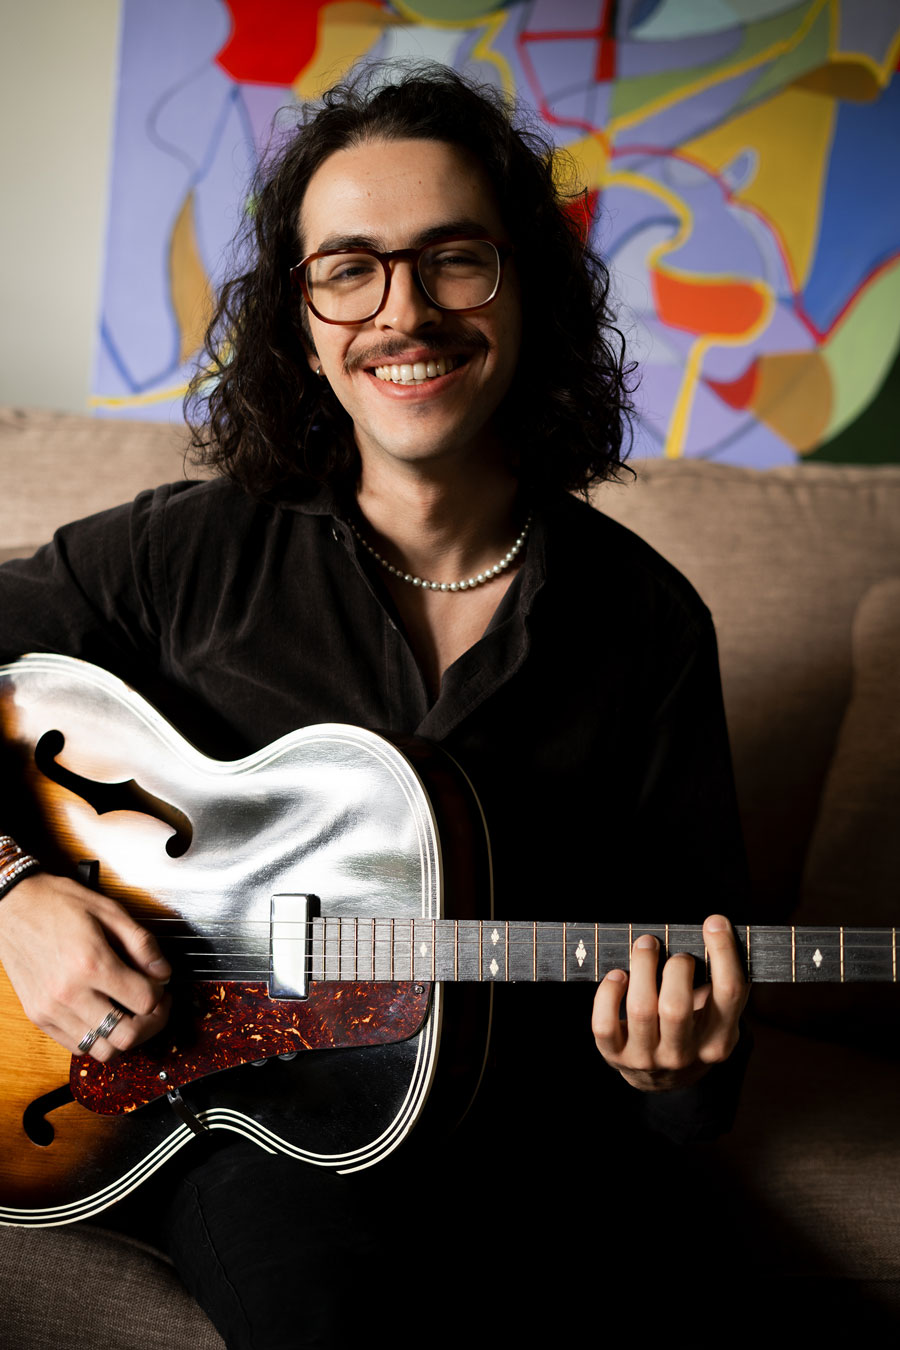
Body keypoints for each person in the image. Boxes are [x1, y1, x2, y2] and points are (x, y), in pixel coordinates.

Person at [0, 64, 750, 1346]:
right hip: (238, 1131)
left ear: (530, 295)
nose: (404, 312)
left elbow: (693, 1000)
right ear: (302, 323)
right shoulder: (186, 554)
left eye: (456, 259)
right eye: (349, 269)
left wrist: (672, 1068)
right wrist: (14, 890)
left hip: (534, 1140)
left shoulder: (649, 625)